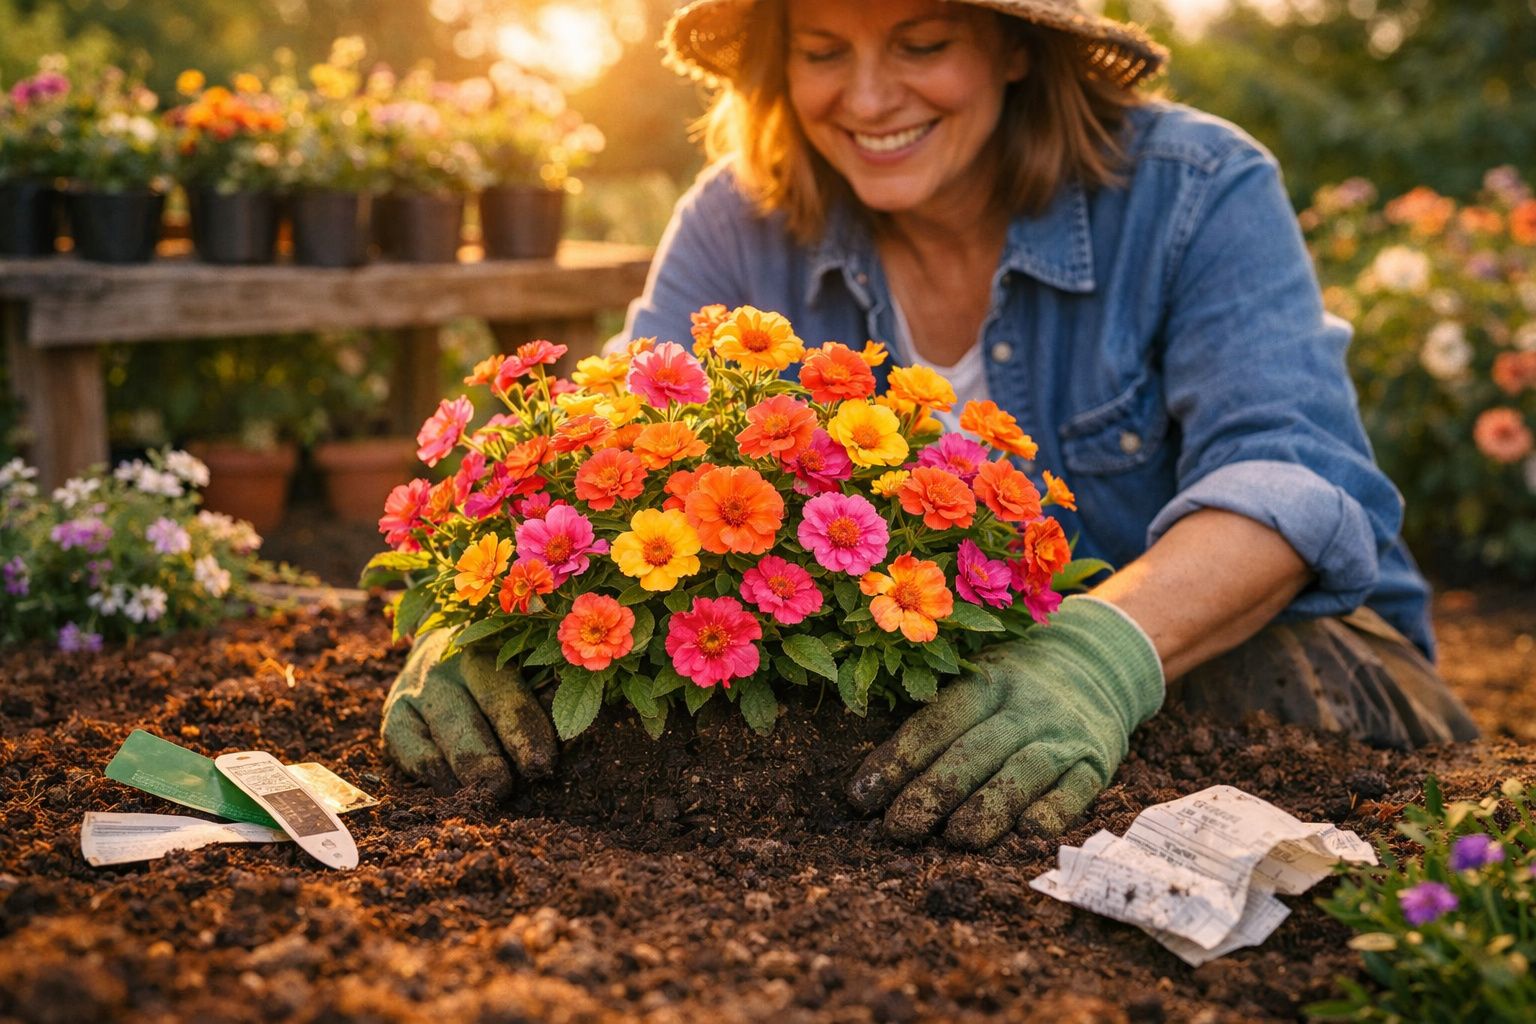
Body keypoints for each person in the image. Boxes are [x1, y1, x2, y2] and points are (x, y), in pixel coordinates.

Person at [381, 0, 1478, 847]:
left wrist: (1099, 656)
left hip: (1299, 668)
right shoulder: (736, 219)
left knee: (1184, 713)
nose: (866, 97)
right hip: (956, 719)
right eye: (820, 50)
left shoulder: (1195, 190)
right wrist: (480, 620)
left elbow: (1293, 479)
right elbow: (606, 446)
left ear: (1011, 46)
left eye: (920, 42)